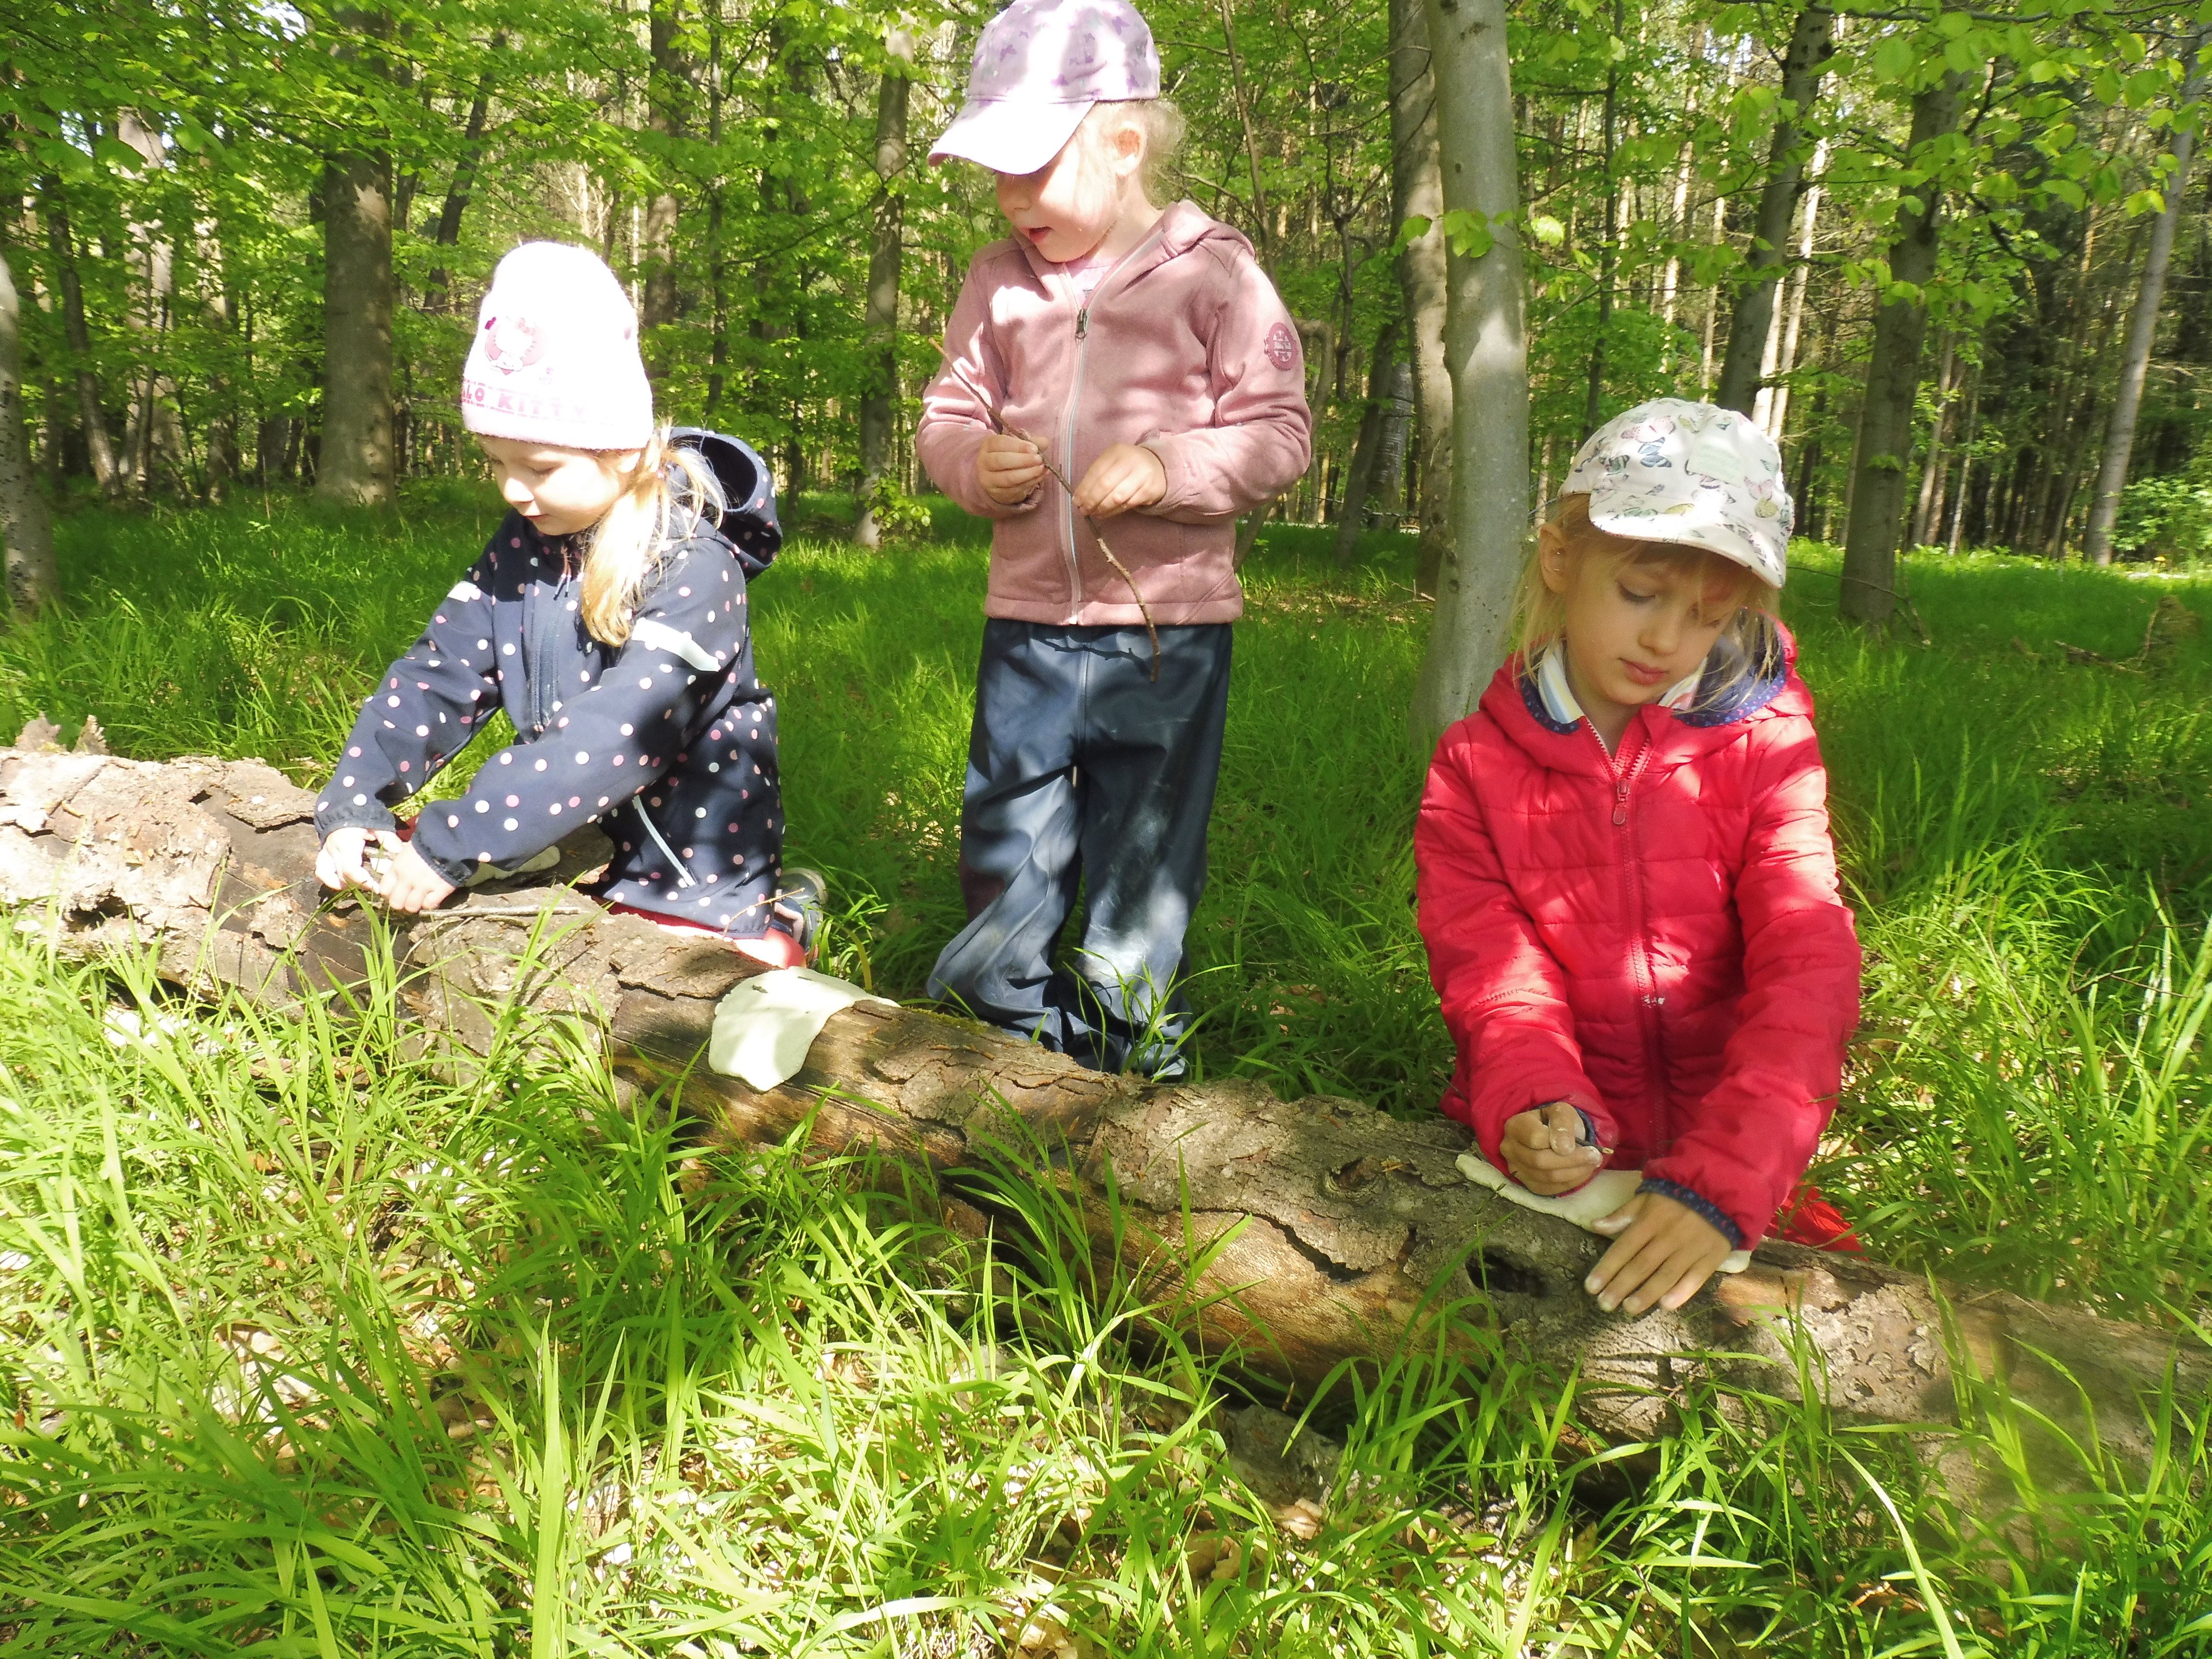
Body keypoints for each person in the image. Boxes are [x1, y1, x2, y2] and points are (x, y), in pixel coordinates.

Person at [916, 0, 1312, 1074]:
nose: (1008, 197)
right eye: (993, 172)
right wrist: (975, 463)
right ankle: (1001, 1030)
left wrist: (1172, 465)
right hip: (1031, 618)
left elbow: (1280, 436)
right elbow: (948, 419)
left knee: (1146, 837)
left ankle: (1127, 1042)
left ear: (1124, 144)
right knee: (1010, 824)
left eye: (1030, 167)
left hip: (1166, 631)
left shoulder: (1216, 275)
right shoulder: (998, 283)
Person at [1416, 398, 1863, 1319]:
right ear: (1561, 557)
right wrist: (1539, 1102)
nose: (1666, 640)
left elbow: (1807, 962)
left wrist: (1727, 1175)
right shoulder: (1476, 765)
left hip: (1734, 1153)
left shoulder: (1767, 744)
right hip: (1569, 1162)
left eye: (1708, 614)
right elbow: (1492, 972)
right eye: (1639, 593)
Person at [313, 240, 820, 965]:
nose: (514, 490)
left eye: (540, 467)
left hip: (685, 866)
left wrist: (455, 843)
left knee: (693, 1007)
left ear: (618, 448)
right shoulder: (525, 543)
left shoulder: (697, 566)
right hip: (556, 832)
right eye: (496, 463)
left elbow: (617, 733)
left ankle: (784, 915)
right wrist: (355, 801)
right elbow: (440, 672)